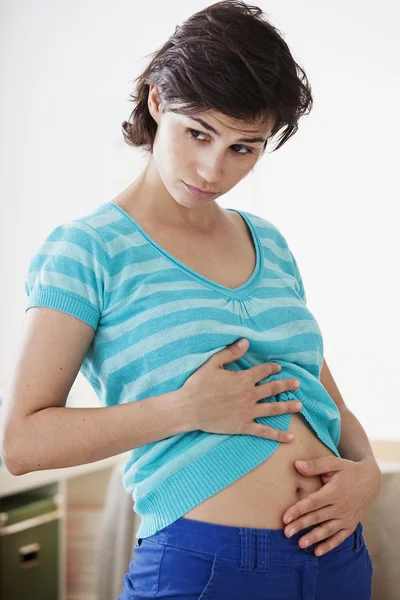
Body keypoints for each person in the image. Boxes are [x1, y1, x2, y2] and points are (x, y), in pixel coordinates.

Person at [1, 1, 381, 598]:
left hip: (336, 561)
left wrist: (367, 477)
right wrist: (187, 409)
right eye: (198, 133)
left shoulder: (270, 244)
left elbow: (319, 393)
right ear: (157, 102)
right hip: (207, 566)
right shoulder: (89, 249)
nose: (212, 169)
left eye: (243, 148)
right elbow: (23, 442)